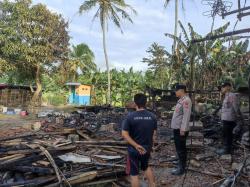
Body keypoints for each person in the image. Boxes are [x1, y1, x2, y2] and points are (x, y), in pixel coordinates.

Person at [122, 93, 157, 187]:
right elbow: (154, 134)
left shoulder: (130, 117)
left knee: (134, 175)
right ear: (146, 103)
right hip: (146, 148)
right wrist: (151, 146)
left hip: (134, 150)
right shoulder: (152, 117)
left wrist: (136, 145)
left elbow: (124, 134)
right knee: (146, 167)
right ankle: (152, 185)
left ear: (135, 103)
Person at [171, 84, 192, 175]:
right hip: (177, 128)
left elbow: (186, 116)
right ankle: (180, 162)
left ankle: (181, 168)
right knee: (179, 148)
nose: (175, 92)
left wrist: (183, 129)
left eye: (176, 90)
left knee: (181, 149)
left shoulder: (186, 100)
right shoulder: (181, 100)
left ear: (182, 90)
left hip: (181, 129)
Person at [216, 82, 241, 155]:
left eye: (223, 87)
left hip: (229, 119)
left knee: (228, 135)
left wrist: (239, 119)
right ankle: (225, 148)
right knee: (226, 134)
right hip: (225, 119)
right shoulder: (226, 96)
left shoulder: (231, 95)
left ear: (228, 87)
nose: (221, 88)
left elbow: (236, 108)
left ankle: (227, 151)